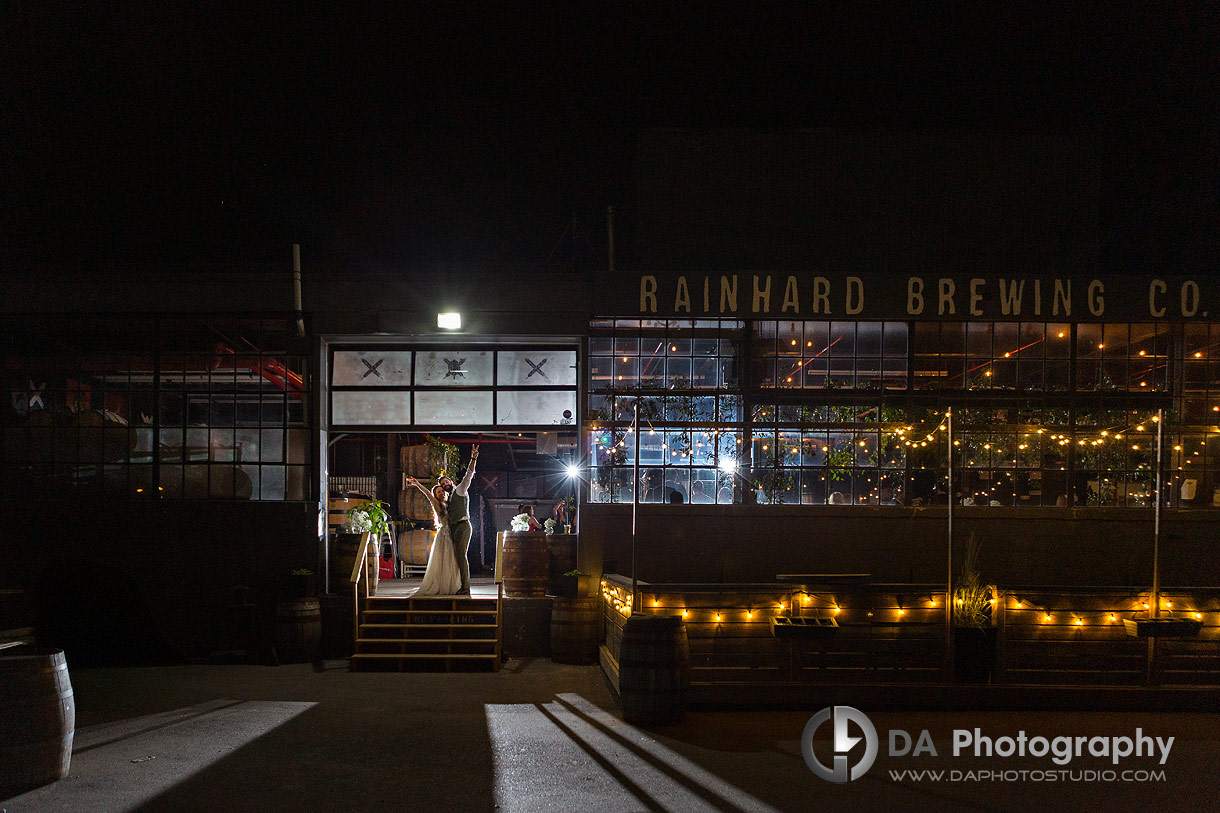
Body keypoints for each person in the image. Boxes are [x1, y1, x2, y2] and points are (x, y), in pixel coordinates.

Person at [405, 478, 461, 596]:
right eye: (438, 492)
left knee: (452, 560)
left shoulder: (450, 501)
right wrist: (417, 484)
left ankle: (452, 584)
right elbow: (426, 493)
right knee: (443, 559)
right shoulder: (436, 503)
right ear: (435, 495)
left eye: (442, 491)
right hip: (443, 534)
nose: (441, 493)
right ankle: (442, 585)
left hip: (452, 533)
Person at [438, 444, 479, 594]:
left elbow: (469, 473)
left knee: (461, 555)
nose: (445, 484)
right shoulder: (448, 498)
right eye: (443, 484)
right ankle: (459, 584)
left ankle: (466, 587)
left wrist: (473, 458)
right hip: (454, 527)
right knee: (457, 557)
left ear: (451, 481)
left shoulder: (460, 489)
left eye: (446, 482)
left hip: (463, 525)